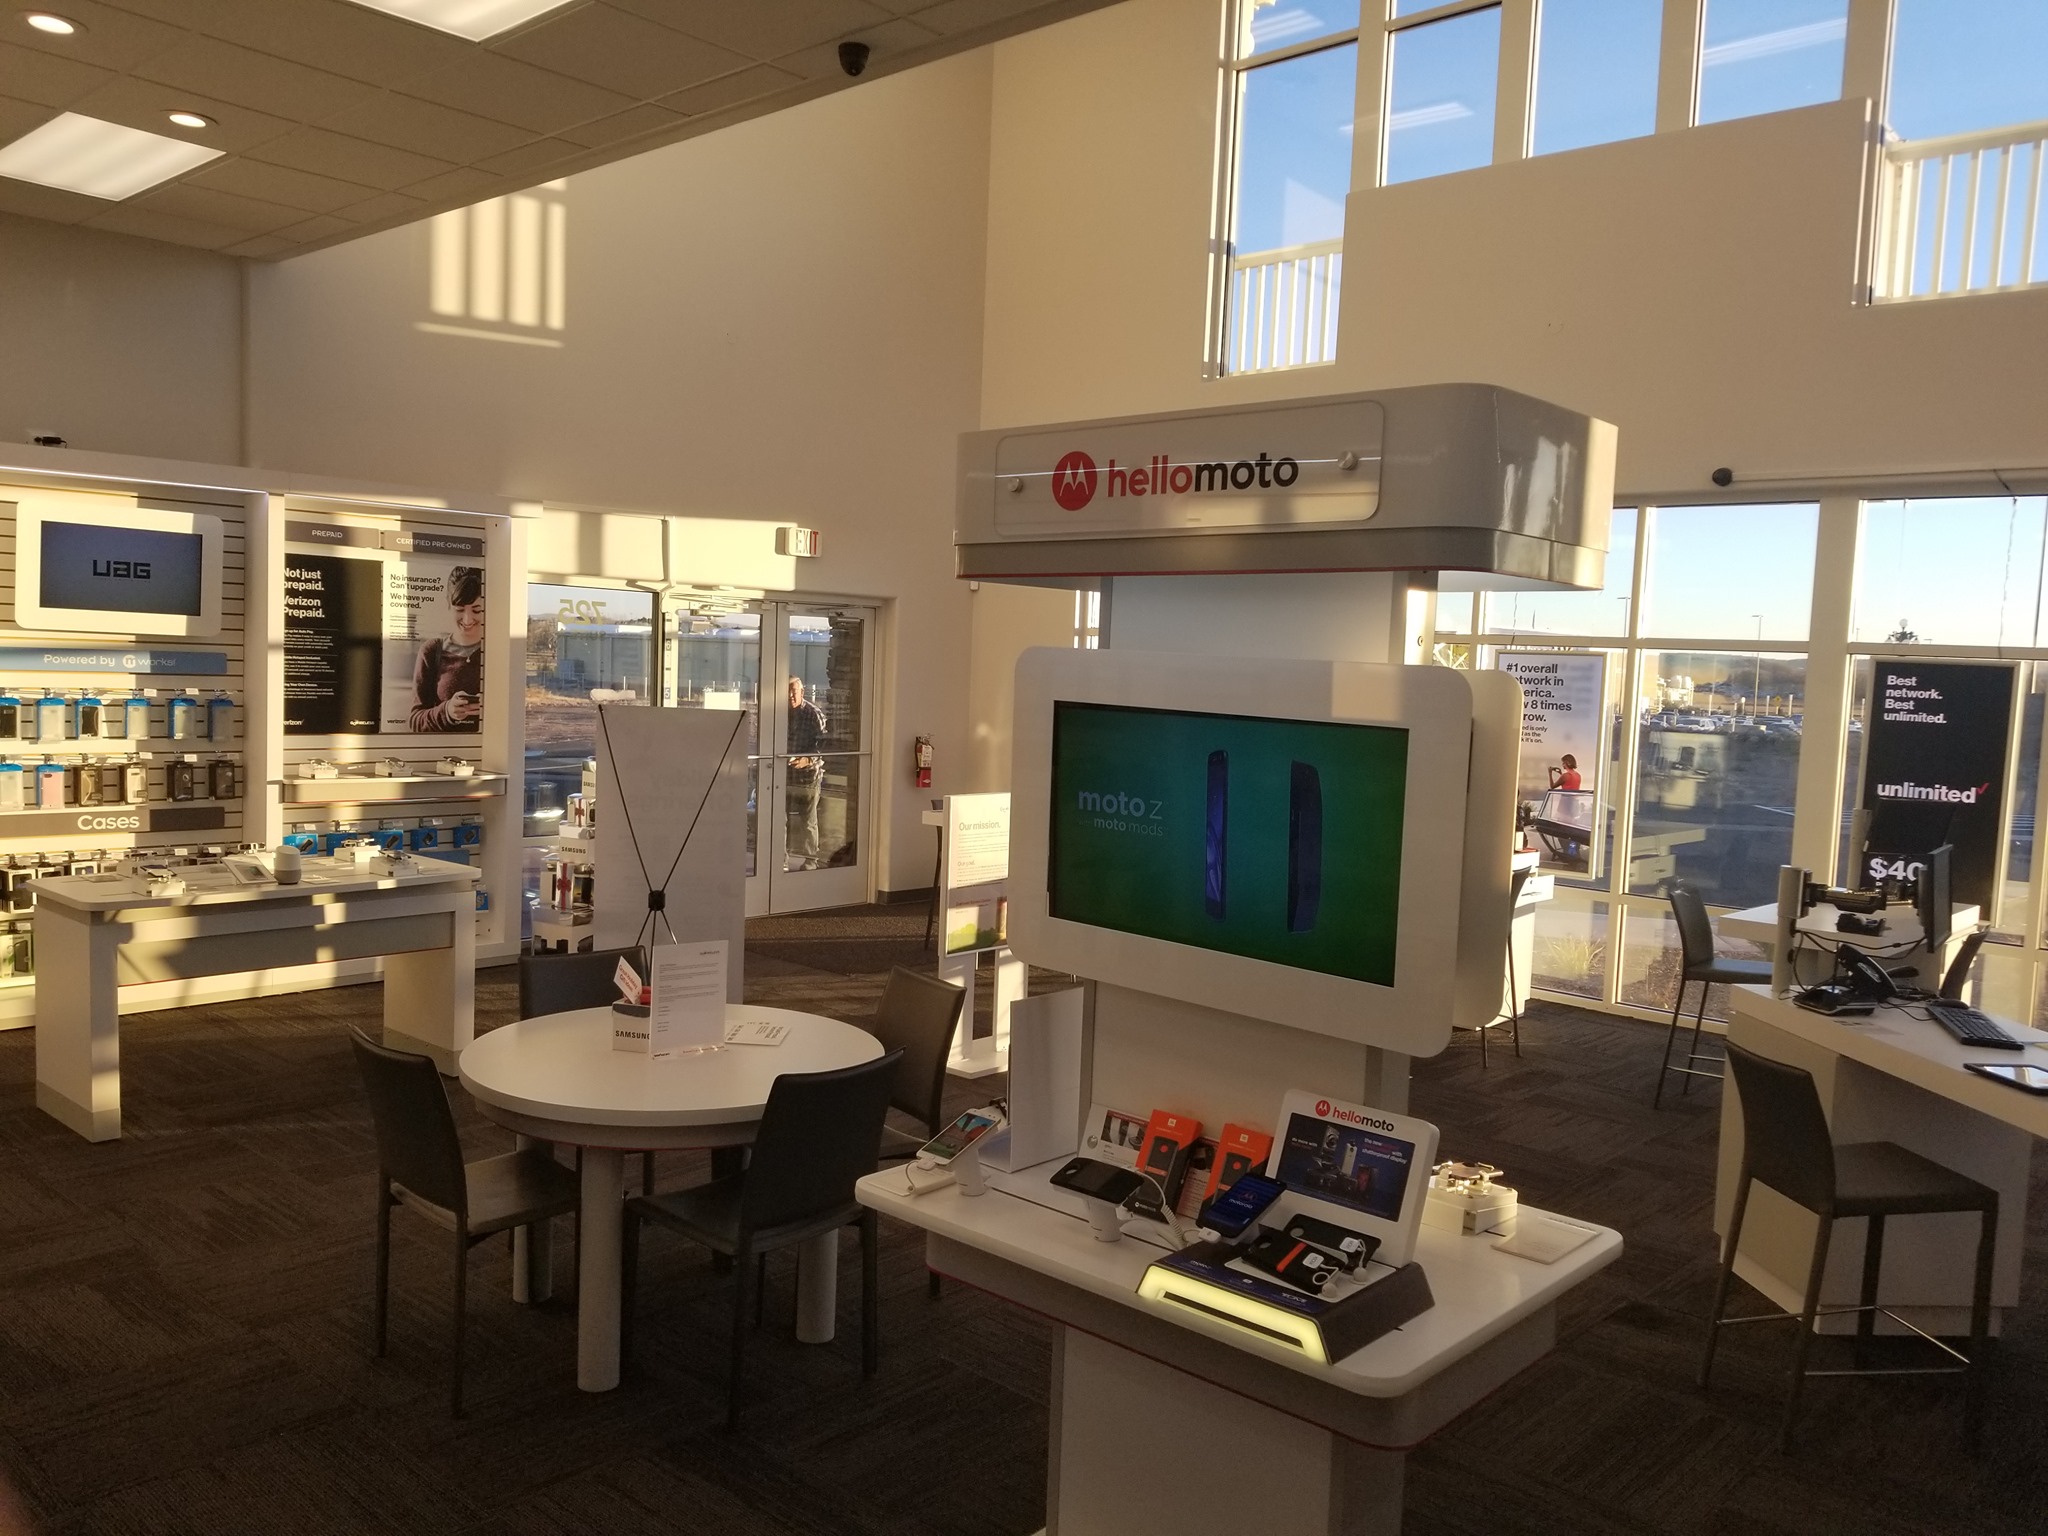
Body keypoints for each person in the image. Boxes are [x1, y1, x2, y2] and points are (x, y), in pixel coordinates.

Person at [410, 565, 484, 733]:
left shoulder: (501, 651)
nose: (468, 619)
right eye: (459, 609)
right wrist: (447, 712)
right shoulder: (431, 651)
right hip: (446, 749)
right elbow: (415, 721)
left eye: (477, 610)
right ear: (448, 605)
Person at [785, 675, 827, 869]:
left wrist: (807, 760)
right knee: (779, 819)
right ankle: (780, 861)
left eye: (793, 692)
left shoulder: (813, 714)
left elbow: (825, 746)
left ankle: (811, 862)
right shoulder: (777, 714)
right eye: (786, 693)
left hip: (808, 777)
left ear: (802, 692)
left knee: (808, 822)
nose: (790, 696)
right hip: (783, 776)